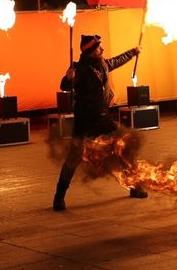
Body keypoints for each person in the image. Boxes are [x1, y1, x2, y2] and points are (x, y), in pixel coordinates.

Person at [53, 34, 147, 211]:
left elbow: (117, 60)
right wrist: (67, 78)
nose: (102, 50)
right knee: (74, 157)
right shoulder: (79, 69)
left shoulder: (103, 64)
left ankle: (134, 186)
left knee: (124, 146)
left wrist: (133, 52)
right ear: (90, 51)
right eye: (98, 48)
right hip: (85, 119)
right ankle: (59, 197)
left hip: (102, 118)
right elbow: (64, 86)